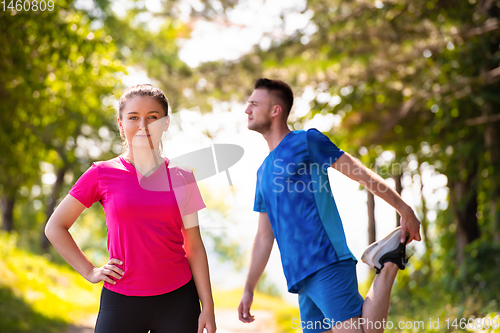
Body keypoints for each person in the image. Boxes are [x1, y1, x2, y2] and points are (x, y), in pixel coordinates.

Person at [238, 78, 421, 333]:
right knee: (366, 330)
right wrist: (249, 288)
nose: (247, 110)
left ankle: (389, 264)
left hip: (326, 260)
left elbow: (360, 173)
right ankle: (388, 259)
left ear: (275, 110)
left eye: (254, 104)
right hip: (300, 277)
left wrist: (404, 209)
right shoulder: (262, 172)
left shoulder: (306, 141)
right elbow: (263, 236)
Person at [45, 84, 216, 333]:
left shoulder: (182, 177)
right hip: (121, 299)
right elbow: (55, 227)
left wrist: (208, 305)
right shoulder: (101, 173)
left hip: (178, 299)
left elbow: (194, 246)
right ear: (120, 123)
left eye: (153, 118)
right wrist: (90, 271)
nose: (143, 126)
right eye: (133, 117)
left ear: (166, 123)